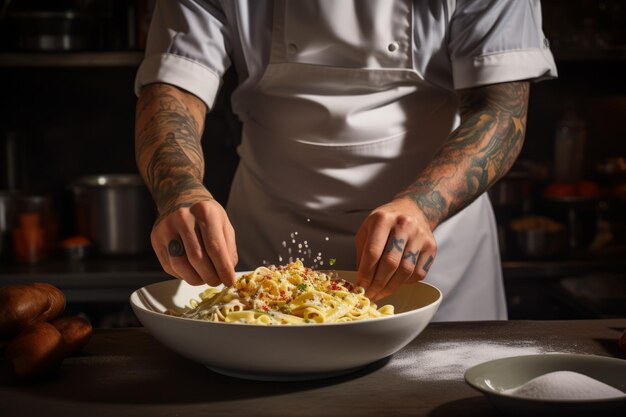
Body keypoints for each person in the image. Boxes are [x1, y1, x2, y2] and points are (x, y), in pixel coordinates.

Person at [134, 0, 557, 321]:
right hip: (266, 238)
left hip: (433, 243)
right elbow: (173, 90)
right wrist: (180, 191)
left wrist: (423, 206)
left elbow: (501, 110)